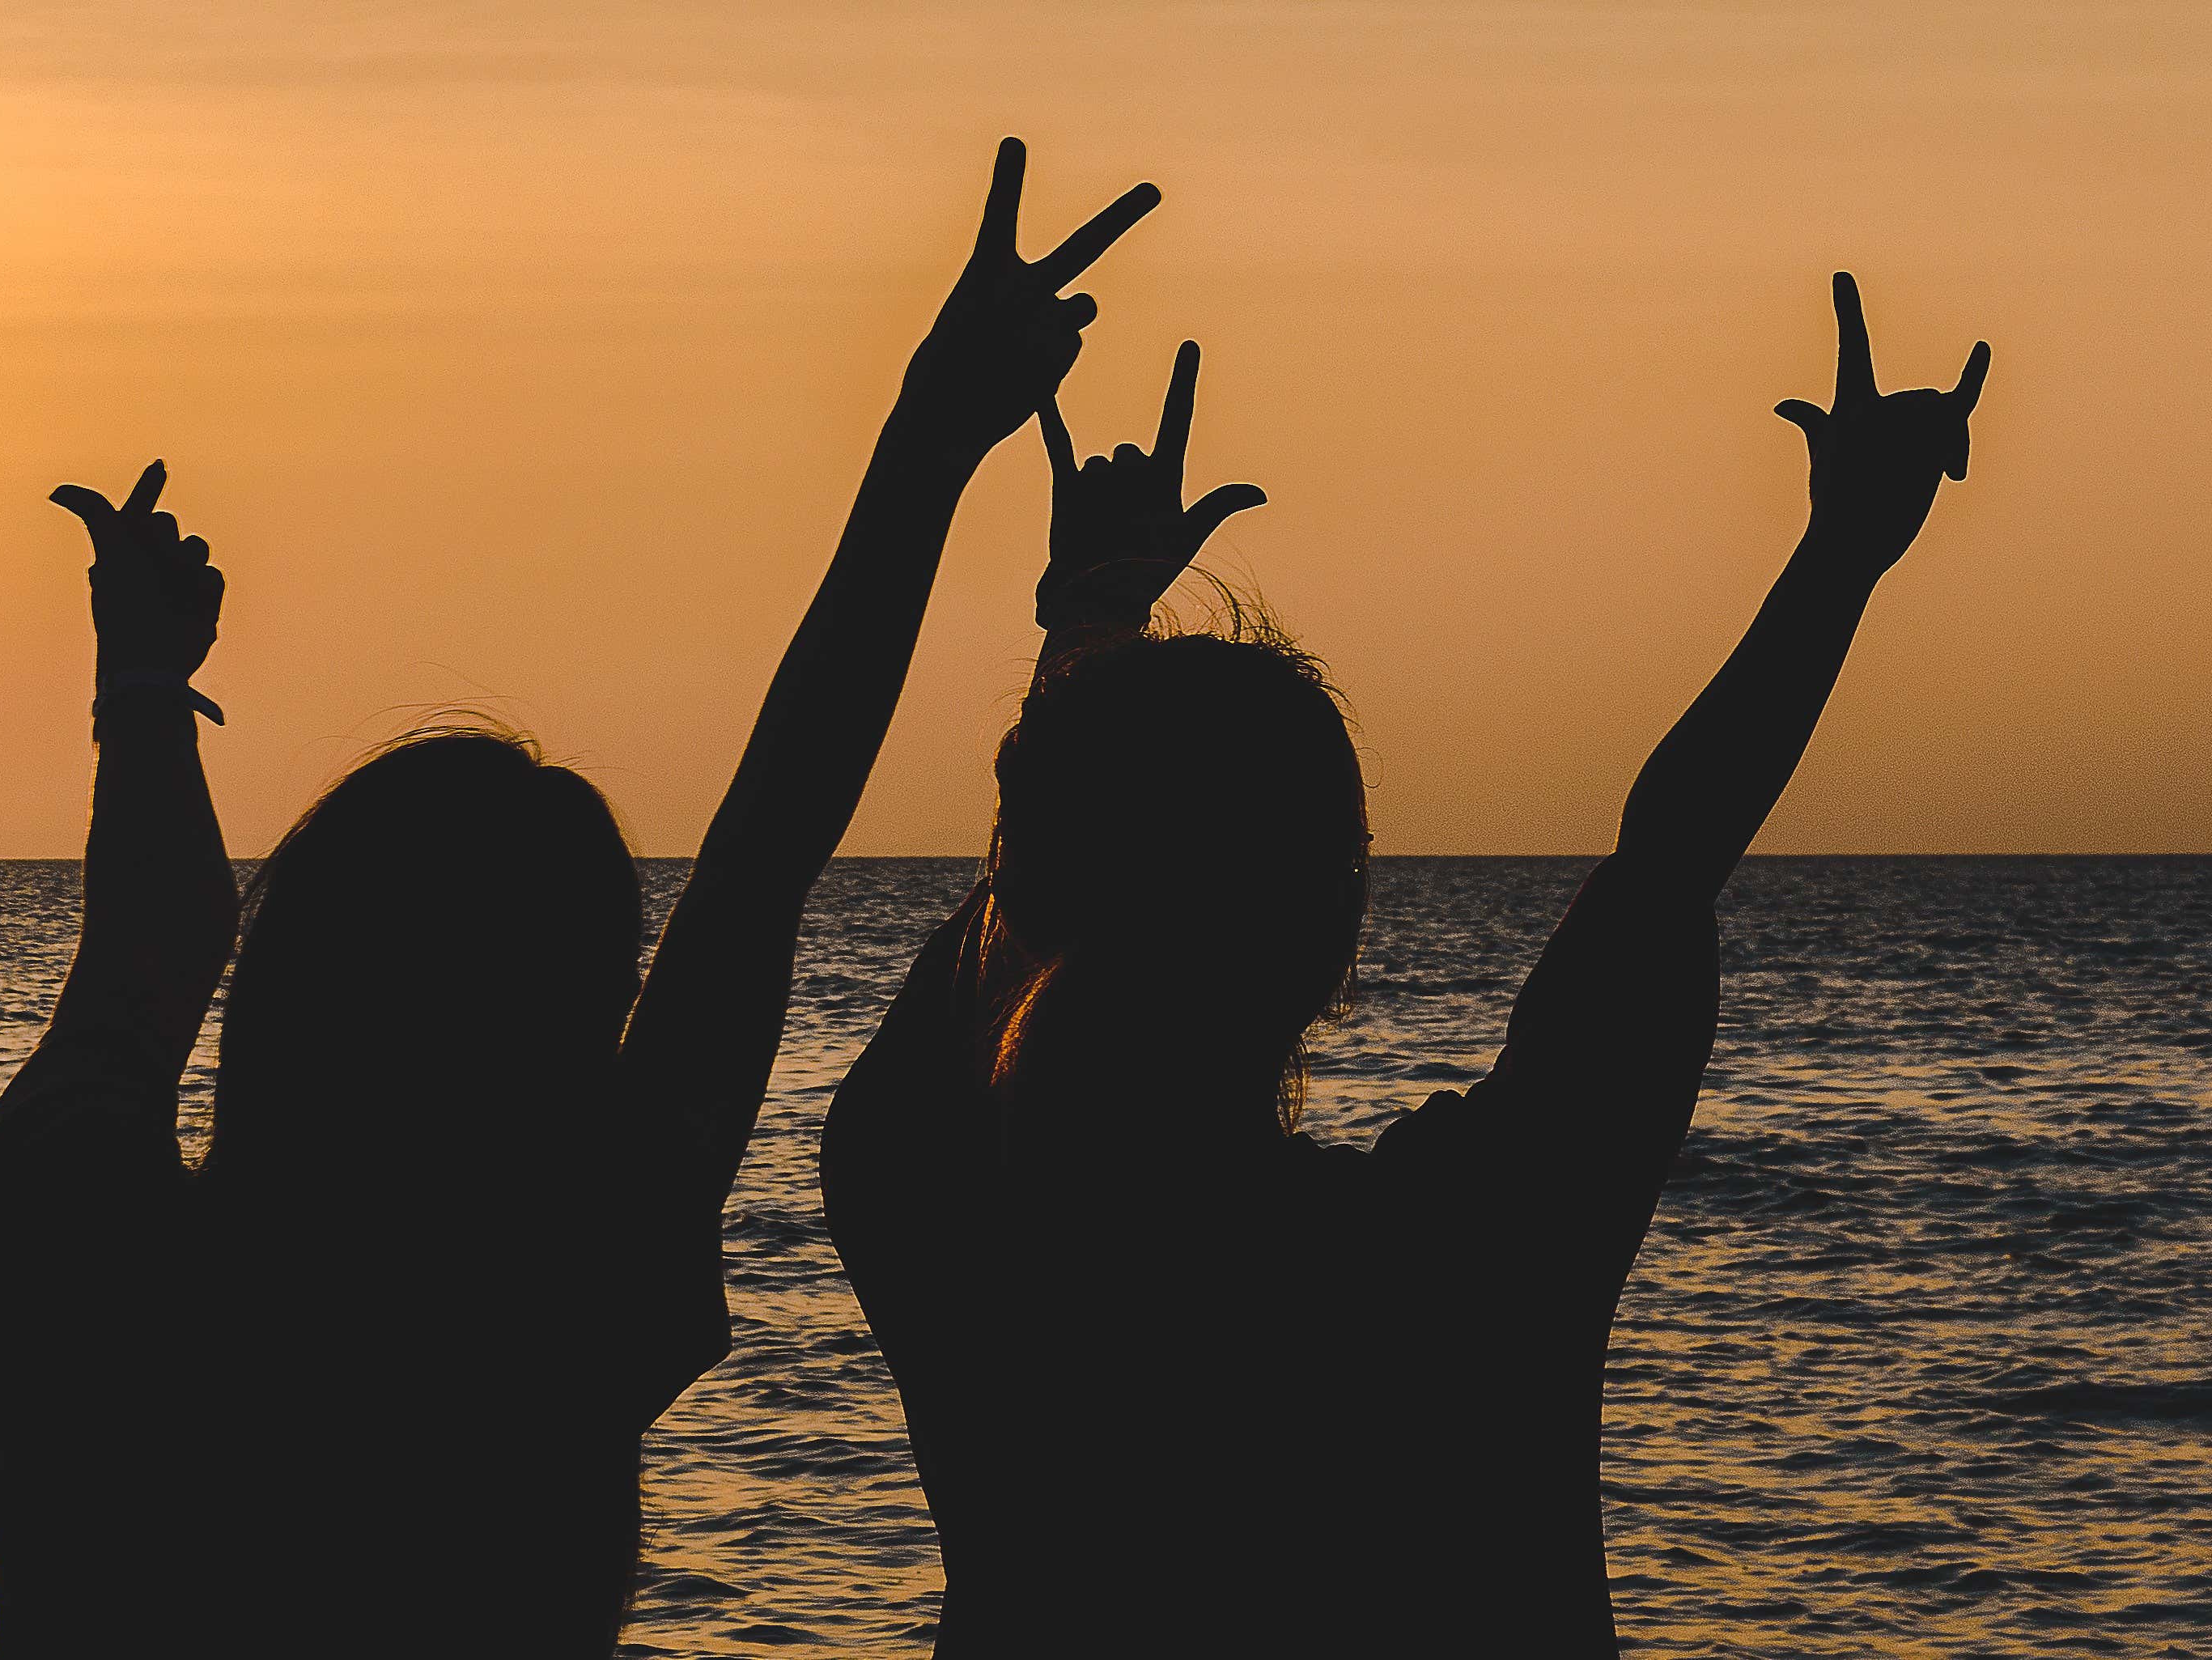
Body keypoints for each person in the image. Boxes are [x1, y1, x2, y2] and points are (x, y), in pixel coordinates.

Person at [0, 138, 1161, 1652]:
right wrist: (973, 490)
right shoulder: (573, 1286)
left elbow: (145, 944)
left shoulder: (77, 1232)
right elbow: (770, 846)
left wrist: (139, 684)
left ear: (291, 969)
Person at [819, 275, 1990, 1654]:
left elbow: (1036, 885)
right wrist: (1842, 552)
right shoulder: (1466, 1255)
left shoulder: (944, 1235)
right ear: (1335, 926)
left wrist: (1085, 627)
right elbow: (1667, 864)